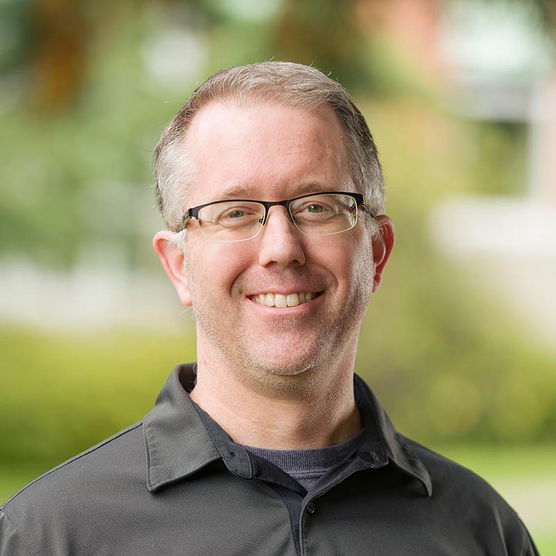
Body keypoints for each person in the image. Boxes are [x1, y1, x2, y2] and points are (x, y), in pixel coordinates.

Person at [0, 62, 538, 555]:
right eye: (233, 212)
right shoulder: (51, 534)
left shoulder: (482, 531)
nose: (280, 248)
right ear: (177, 265)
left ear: (375, 253)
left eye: (316, 206)